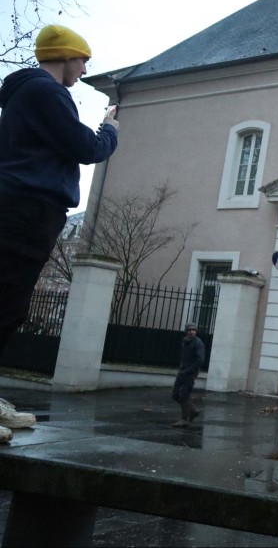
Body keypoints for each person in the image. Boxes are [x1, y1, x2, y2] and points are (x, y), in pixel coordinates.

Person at [0, 24, 119, 443]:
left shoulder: (26, 94)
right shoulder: (46, 92)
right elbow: (88, 148)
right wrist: (109, 130)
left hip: (23, 208)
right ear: (66, 55)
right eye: (83, 60)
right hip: (27, 210)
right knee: (6, 303)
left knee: (10, 304)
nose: (84, 69)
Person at [171, 323, 205, 428]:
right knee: (175, 394)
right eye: (189, 330)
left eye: (193, 330)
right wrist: (182, 369)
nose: (191, 332)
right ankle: (193, 411)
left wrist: (189, 370)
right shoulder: (185, 341)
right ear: (186, 331)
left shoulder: (198, 343)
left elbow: (200, 360)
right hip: (183, 370)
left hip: (190, 372)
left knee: (183, 394)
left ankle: (185, 419)